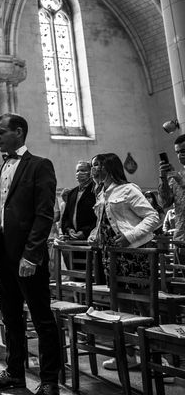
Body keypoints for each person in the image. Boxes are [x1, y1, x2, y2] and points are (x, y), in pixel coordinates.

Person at [0, 113, 60, 395]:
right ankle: (14, 373)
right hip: (2, 256)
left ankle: (50, 380)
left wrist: (32, 255)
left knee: (42, 319)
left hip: (28, 258)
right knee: (10, 317)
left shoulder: (39, 166)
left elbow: (43, 214)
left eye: (1, 132)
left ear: (19, 132)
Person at [87, 152, 160, 370]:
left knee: (143, 304)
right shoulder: (101, 193)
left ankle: (155, 356)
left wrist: (130, 236)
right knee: (122, 305)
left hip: (134, 255)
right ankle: (128, 355)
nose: (93, 170)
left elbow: (153, 218)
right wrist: (95, 235)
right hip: (112, 256)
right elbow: (105, 222)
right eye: (92, 166)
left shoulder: (129, 189)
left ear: (109, 167)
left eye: (97, 165)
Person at [159, 134, 185, 246]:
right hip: (181, 236)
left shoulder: (179, 177)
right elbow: (165, 203)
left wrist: (182, 181)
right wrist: (163, 179)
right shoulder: (177, 176)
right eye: (177, 152)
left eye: (183, 151)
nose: (180, 155)